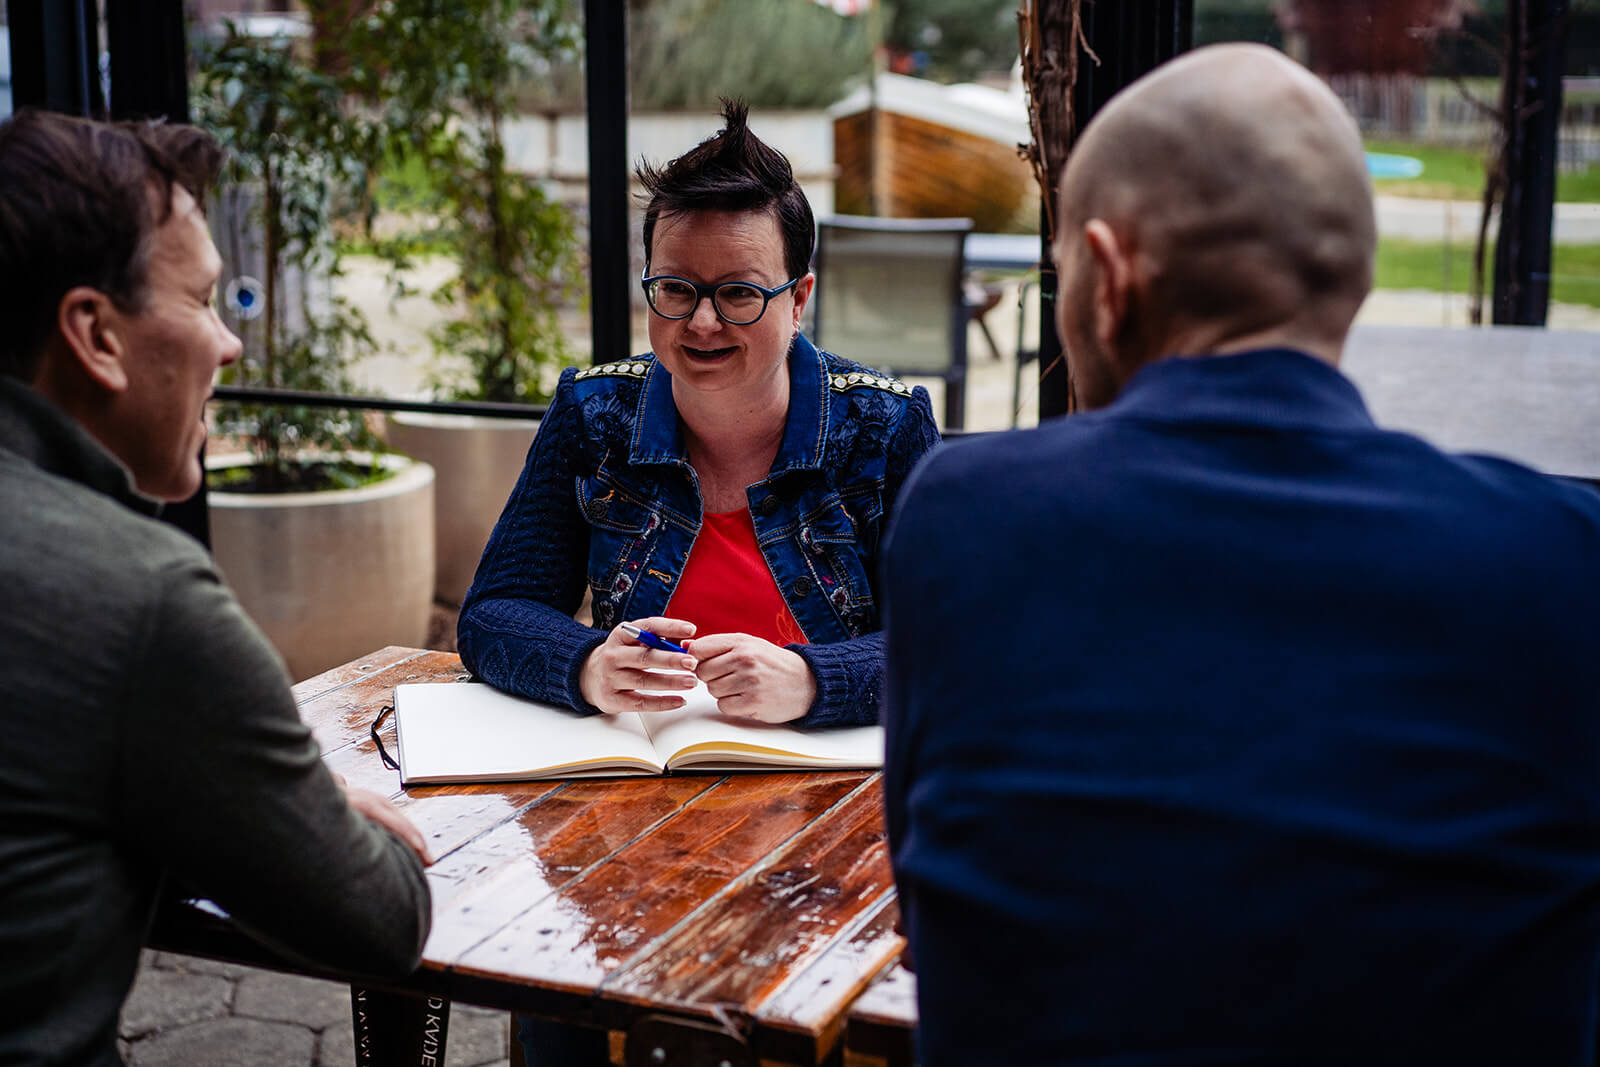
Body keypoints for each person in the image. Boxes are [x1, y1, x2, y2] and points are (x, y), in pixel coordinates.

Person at [881, 43, 1600, 1065]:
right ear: (1347, 279)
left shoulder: (966, 517)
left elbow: (931, 906)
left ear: (1111, 275)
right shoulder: (1560, 561)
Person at [457, 98, 938, 1063]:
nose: (703, 320)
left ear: (801, 298)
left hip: (833, 823)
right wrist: (589, 661)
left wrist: (811, 679)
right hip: (635, 815)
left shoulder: (883, 429)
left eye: (739, 293)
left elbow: (953, 651)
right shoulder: (593, 414)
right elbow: (494, 613)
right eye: (674, 289)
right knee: (562, 990)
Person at [0, 110, 433, 1067]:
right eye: (202, 301)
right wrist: (298, 805)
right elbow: (385, 921)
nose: (231, 346)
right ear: (95, 335)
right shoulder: (142, 598)